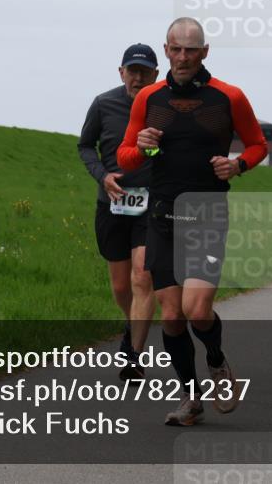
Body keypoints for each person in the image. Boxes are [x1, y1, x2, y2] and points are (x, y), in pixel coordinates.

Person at [117, 17, 267, 426]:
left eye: (191, 49)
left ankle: (216, 362)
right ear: (165, 50)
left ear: (205, 52)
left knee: (197, 309)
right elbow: (126, 157)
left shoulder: (229, 97)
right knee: (171, 315)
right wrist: (142, 146)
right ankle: (190, 398)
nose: (183, 57)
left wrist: (237, 166)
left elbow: (258, 145)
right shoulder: (148, 98)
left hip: (206, 212)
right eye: (176, 48)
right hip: (163, 214)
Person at [77, 43, 160, 381]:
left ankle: (132, 356)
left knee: (143, 276)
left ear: (156, 74)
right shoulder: (103, 104)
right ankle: (132, 324)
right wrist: (103, 175)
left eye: (144, 71)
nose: (137, 77)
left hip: (151, 204)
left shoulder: (165, 107)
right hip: (111, 202)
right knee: (121, 286)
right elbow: (85, 145)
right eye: (132, 70)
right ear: (121, 72)